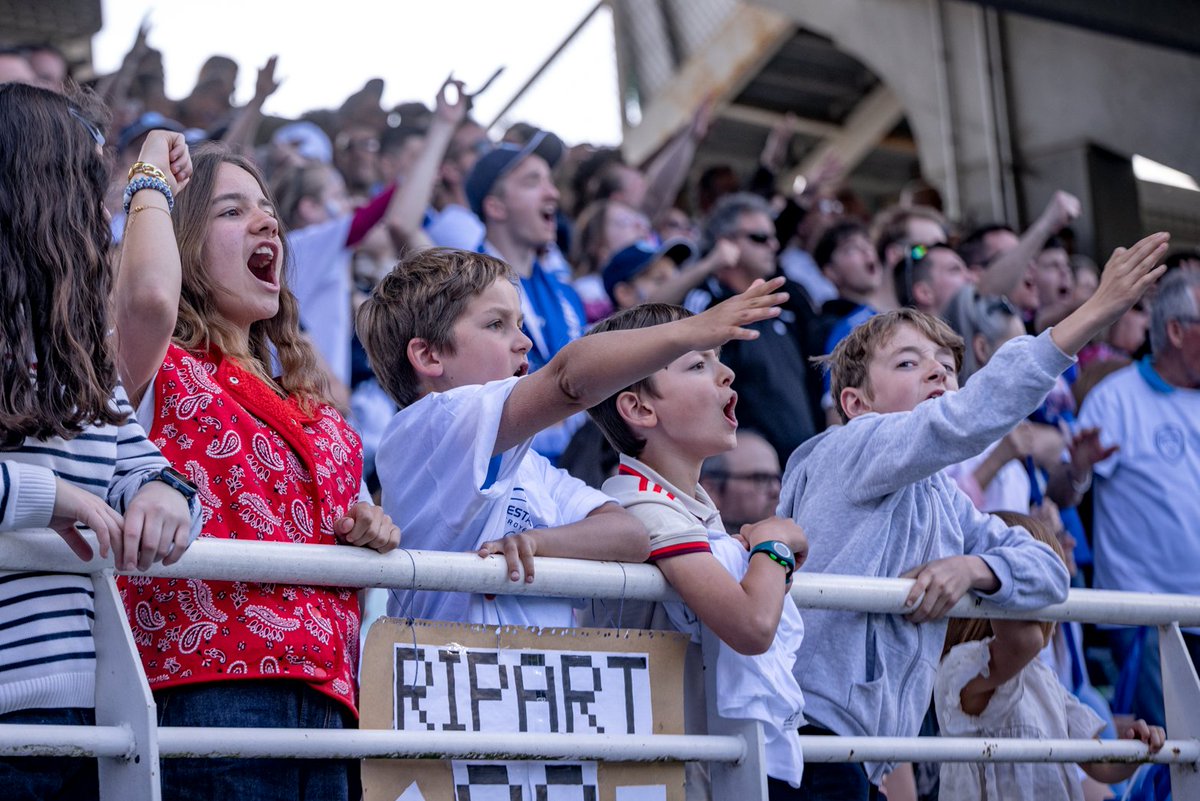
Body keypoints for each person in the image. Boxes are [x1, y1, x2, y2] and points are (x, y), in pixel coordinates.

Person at [777, 231, 1169, 799]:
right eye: (909, 362)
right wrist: (1091, 314)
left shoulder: (943, 497)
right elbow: (964, 419)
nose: (939, 374)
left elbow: (1048, 569)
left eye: (948, 366)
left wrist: (973, 569)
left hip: (863, 752)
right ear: (855, 405)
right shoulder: (847, 446)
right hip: (809, 734)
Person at [113, 135, 400, 801]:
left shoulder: (317, 409)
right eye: (232, 211)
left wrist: (371, 527)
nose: (267, 222)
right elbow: (148, 296)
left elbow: (350, 525)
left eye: (268, 209)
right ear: (183, 245)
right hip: (209, 700)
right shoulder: (150, 364)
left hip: (334, 705)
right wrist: (150, 174)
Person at [356, 248, 789, 627]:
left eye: (519, 323)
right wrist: (688, 333)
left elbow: (629, 535)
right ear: (428, 355)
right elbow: (568, 382)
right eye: (496, 324)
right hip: (451, 687)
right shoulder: (428, 427)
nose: (524, 342)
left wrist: (538, 543)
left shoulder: (530, 466)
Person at [0, 83, 199, 801]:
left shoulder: (73, 353)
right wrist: (52, 496)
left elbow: (141, 465)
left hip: (88, 720)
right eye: (88, 185)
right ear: (37, 190)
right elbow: (150, 300)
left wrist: (163, 495)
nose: (101, 212)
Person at [586, 303, 809, 796]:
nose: (727, 374)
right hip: (658, 778)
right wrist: (773, 545)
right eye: (697, 365)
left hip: (687, 772)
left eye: (719, 360)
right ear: (639, 409)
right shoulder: (642, 507)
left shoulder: (686, 509)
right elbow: (752, 626)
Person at [936, 510, 1165, 801]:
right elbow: (1025, 640)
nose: (1056, 600)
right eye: (1048, 588)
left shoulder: (1046, 682)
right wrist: (1010, 575)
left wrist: (1135, 749)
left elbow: (1101, 765)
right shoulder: (962, 670)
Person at [1077, 266, 1200, 728]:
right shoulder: (1115, 398)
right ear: (1176, 331)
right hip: (1149, 622)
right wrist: (1077, 468)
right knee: (1172, 749)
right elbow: (1064, 493)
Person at [685, 193, 821, 462]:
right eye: (760, 238)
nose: (773, 245)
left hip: (803, 464)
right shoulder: (705, 302)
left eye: (773, 237)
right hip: (745, 471)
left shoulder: (788, 302)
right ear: (725, 243)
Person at [701, 430, 783, 535]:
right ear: (711, 488)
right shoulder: (691, 540)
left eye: (778, 478)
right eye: (761, 479)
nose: (776, 490)